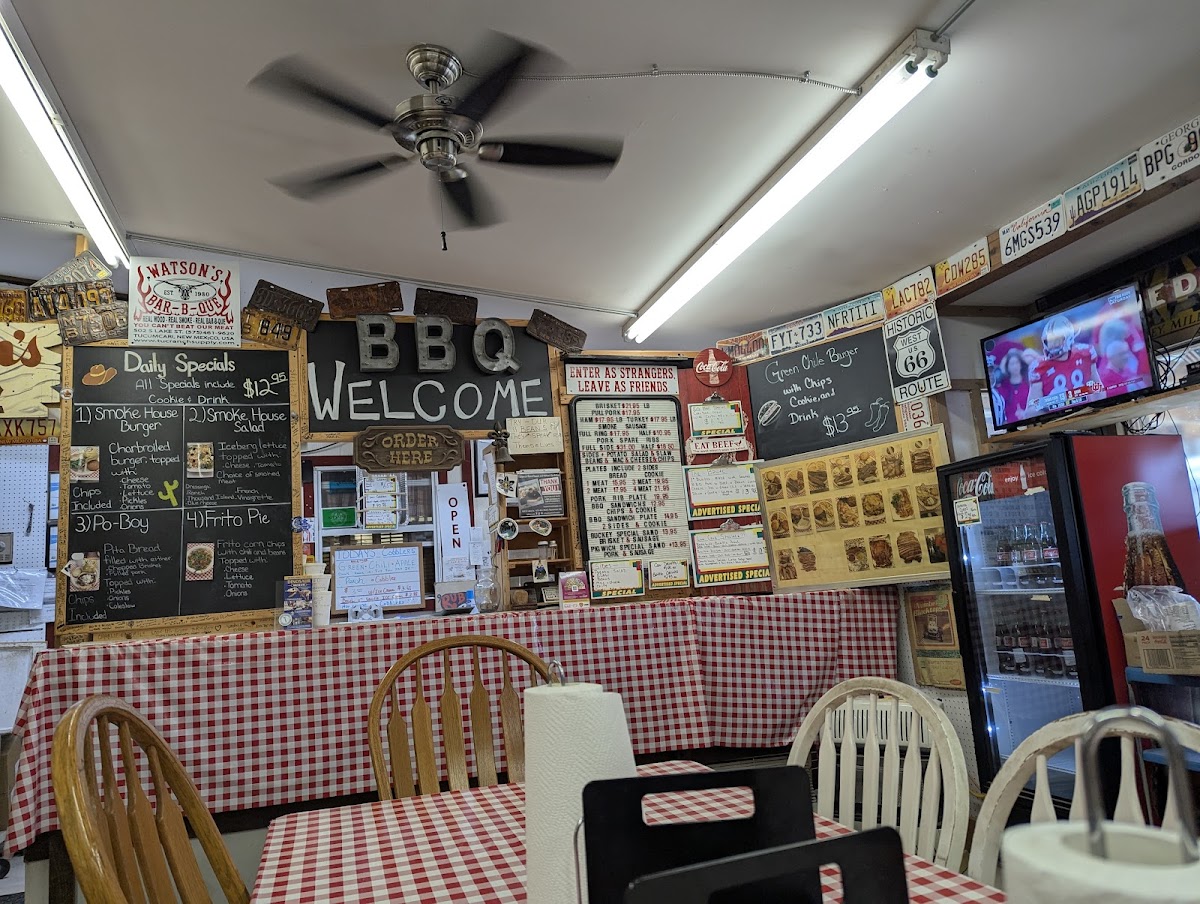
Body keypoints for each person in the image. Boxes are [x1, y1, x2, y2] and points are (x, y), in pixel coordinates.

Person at [1026, 313, 1103, 413]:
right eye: (1049, 341)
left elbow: (1099, 388)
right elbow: (1030, 411)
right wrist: (1047, 403)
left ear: (1068, 338)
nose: (1052, 345)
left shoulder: (1085, 353)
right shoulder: (1038, 367)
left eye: (1056, 340)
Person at [992, 348, 1031, 425]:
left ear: (1020, 364)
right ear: (1007, 367)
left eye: (1017, 363)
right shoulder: (1002, 387)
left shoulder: (1029, 383)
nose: (1015, 366)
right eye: (1012, 364)